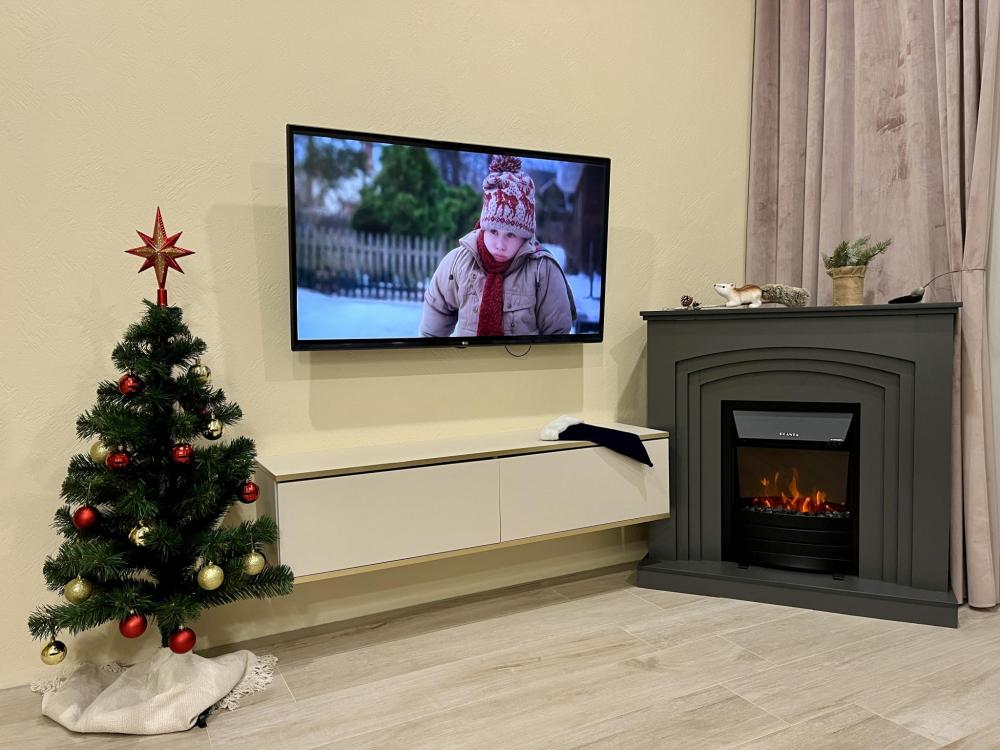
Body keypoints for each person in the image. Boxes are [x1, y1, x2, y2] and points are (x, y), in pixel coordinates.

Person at [420, 155, 574, 338]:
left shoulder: (542, 269)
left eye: (511, 235)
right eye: (493, 231)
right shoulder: (458, 262)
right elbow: (435, 317)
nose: (500, 245)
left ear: (524, 236)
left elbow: (557, 334)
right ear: (483, 227)